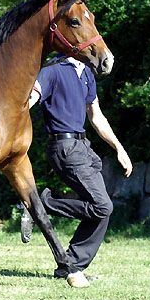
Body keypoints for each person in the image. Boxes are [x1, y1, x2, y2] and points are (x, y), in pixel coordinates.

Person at [22, 55, 133, 286]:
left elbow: (96, 116)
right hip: (64, 147)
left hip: (83, 147)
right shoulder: (53, 69)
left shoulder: (86, 73)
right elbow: (28, 101)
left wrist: (119, 148)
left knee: (102, 210)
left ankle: (71, 265)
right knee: (103, 206)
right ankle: (40, 205)